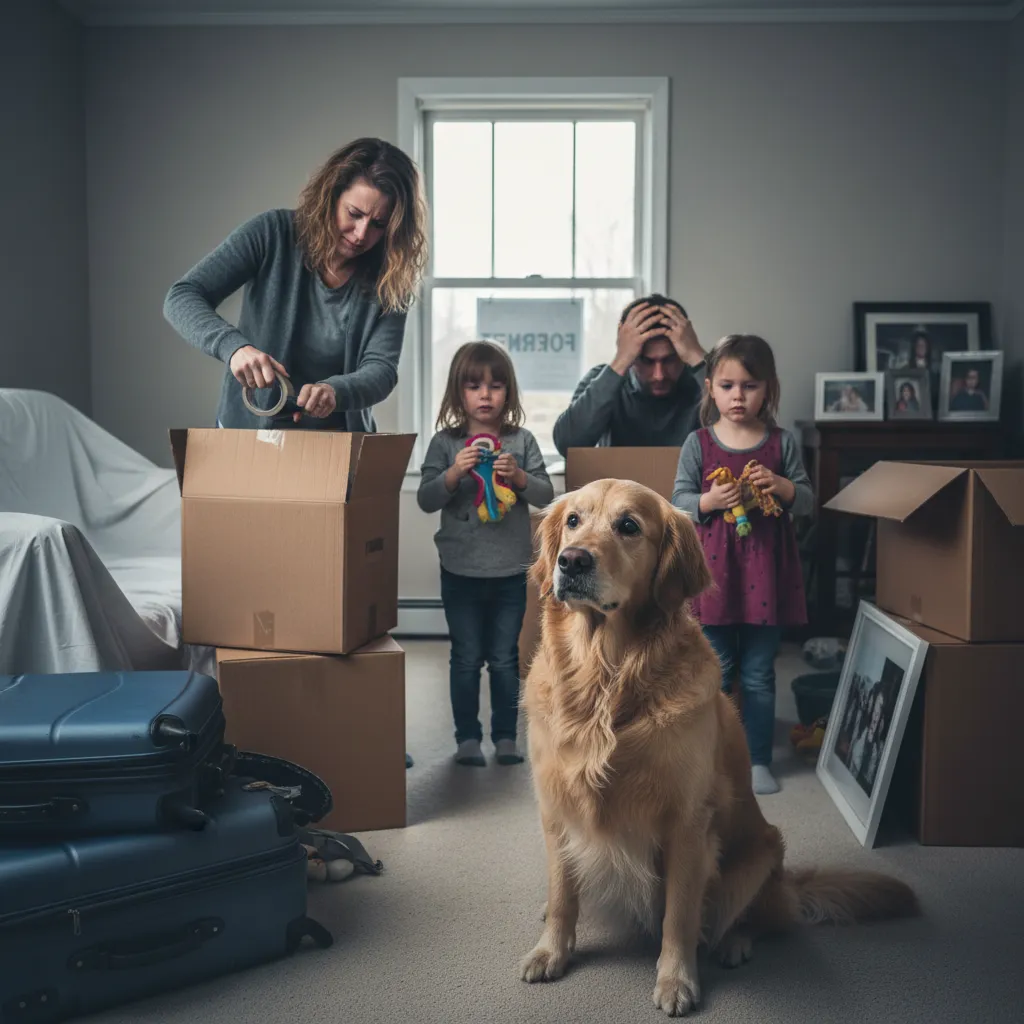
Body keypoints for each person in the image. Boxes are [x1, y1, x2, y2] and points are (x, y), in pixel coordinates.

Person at [164, 137, 428, 431]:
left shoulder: (391, 278)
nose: (361, 234)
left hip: (335, 441)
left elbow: (381, 369)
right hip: (246, 433)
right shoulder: (271, 233)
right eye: (354, 214)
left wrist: (334, 391)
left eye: (379, 224)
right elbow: (182, 297)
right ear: (331, 196)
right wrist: (234, 348)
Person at [671, 334, 813, 795]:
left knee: (758, 674)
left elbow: (808, 500)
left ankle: (757, 760)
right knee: (715, 672)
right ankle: (714, 760)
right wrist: (708, 501)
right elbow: (678, 501)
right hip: (714, 580)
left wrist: (783, 487)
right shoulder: (697, 443)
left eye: (750, 386)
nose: (738, 396)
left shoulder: (781, 443)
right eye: (727, 386)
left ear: (768, 389)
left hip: (766, 578)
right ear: (710, 389)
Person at [417, 341, 554, 767]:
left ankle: (506, 737)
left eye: (495, 386)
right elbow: (426, 499)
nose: (485, 395)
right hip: (460, 572)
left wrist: (519, 477)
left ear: (508, 392)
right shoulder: (445, 443)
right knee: (465, 658)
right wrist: (454, 472)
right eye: (474, 386)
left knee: (504, 658)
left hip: (510, 571)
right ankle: (467, 738)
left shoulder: (522, 440)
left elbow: (546, 495)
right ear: (458, 392)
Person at [551, 294, 707, 457]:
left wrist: (696, 355)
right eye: (646, 361)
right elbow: (567, 445)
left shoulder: (702, 382)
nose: (659, 375)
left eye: (669, 360)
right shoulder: (601, 379)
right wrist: (621, 359)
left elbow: (729, 430)